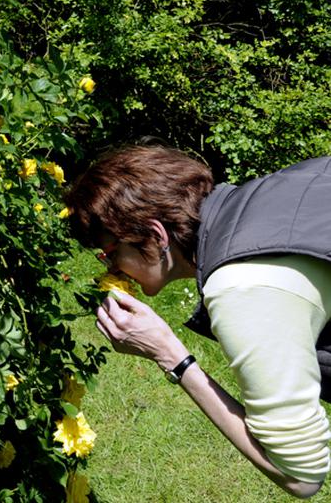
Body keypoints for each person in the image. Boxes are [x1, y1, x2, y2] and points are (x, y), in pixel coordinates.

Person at [63, 144, 331, 499]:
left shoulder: (243, 285)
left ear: (156, 236)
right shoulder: (278, 190)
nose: (108, 269)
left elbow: (301, 475)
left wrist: (170, 355)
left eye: (109, 253)